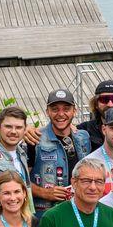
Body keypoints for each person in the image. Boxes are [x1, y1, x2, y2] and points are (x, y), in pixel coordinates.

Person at [28, 89, 93, 218]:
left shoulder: (83, 138)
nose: (61, 114)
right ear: (47, 111)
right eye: (55, 109)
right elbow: (19, 181)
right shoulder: (34, 139)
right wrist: (44, 193)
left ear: (74, 111)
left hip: (78, 213)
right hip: (46, 216)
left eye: (66, 109)